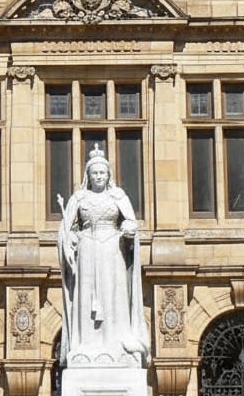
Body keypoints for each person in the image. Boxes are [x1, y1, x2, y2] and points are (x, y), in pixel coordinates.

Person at [57, 144, 150, 368]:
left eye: (102, 173)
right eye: (94, 173)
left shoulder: (118, 196)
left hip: (112, 249)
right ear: (88, 175)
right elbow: (66, 229)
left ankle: (115, 343)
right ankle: (86, 344)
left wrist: (129, 229)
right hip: (87, 249)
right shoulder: (78, 199)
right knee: (86, 297)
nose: (99, 176)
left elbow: (130, 222)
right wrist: (69, 242)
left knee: (114, 294)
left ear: (108, 175)